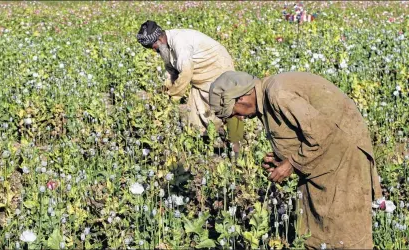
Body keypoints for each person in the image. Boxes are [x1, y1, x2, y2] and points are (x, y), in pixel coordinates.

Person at [209, 71, 383, 249]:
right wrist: (282, 158)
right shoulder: (266, 98)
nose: (239, 118)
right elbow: (301, 132)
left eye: (233, 113)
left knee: (345, 229)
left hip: (344, 153)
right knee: (313, 226)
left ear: (241, 98)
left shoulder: (278, 94)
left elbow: (322, 132)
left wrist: (291, 163)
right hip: (321, 156)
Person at [136, 20, 243, 153]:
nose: (153, 49)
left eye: (153, 46)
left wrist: (173, 95)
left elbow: (186, 72)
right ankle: (208, 143)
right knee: (198, 112)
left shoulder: (180, 42)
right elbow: (173, 73)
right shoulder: (165, 47)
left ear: (159, 38)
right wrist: (164, 91)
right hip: (201, 75)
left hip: (217, 67)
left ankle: (236, 149)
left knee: (227, 107)